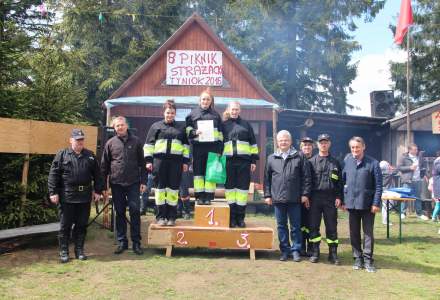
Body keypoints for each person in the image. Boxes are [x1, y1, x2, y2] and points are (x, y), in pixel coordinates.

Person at [48, 129, 103, 263]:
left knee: (82, 225)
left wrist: (98, 191)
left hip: (84, 197)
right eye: (77, 139)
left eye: (82, 139)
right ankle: (64, 252)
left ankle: (79, 251)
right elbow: (53, 175)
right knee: (65, 225)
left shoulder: (90, 155)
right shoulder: (62, 155)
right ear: (71, 140)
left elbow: (97, 175)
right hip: (67, 196)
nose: (80, 142)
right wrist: (53, 192)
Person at [101, 116, 146, 255]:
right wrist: (104, 186)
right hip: (116, 184)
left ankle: (136, 243)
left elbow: (142, 164)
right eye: (117, 126)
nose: (119, 127)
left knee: (134, 211)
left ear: (127, 126)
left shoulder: (137, 142)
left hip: (133, 183)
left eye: (122, 125)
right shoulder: (110, 143)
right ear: (114, 128)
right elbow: (104, 166)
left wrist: (143, 181)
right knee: (119, 212)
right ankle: (122, 242)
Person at [264, 130, 311, 262]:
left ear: (290, 141)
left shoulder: (299, 156)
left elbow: (306, 178)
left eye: (286, 140)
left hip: (295, 198)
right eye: (281, 140)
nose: (283, 142)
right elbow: (266, 179)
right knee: (281, 226)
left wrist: (305, 194)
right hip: (278, 199)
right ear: (277, 142)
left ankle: (296, 250)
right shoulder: (271, 158)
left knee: (295, 226)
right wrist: (267, 195)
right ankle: (285, 250)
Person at [144, 100, 190, 226]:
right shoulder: (155, 126)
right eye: (168, 112)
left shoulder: (181, 128)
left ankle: (171, 217)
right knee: (160, 190)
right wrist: (148, 160)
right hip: (159, 162)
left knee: (173, 190)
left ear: (175, 114)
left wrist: (186, 161)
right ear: (164, 113)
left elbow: (186, 147)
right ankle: (160, 217)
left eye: (172, 113)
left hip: (176, 163)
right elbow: (148, 145)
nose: (170, 115)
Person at [342, 136, 382, 272]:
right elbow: (343, 182)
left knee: (368, 233)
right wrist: (343, 200)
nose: (355, 150)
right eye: (352, 147)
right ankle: (357, 259)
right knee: (354, 233)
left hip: (367, 204)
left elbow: (378, 186)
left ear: (363, 147)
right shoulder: (347, 161)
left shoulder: (373, 163)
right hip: (352, 204)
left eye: (357, 147)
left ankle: (368, 260)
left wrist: (376, 203)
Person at [308, 134, 343, 265]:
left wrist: (339, 197)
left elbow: (340, 182)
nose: (323, 144)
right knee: (313, 226)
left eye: (326, 142)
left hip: (330, 198)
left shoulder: (336, 162)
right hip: (315, 198)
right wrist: (307, 196)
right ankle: (315, 252)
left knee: (332, 227)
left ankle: (333, 254)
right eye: (321, 142)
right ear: (317, 145)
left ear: (329, 144)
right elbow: (307, 181)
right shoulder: (311, 162)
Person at [223, 101, 258, 228]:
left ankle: (240, 218)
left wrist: (253, 160)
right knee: (230, 190)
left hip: (244, 162)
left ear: (240, 110)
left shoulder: (246, 125)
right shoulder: (223, 125)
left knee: (242, 190)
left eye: (236, 109)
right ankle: (232, 219)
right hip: (228, 162)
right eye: (232, 109)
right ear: (228, 110)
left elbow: (253, 143)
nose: (234, 111)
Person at [185, 89, 224, 205]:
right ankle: (199, 197)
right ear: (199, 100)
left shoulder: (216, 115)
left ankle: (208, 197)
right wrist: (195, 132)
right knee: (198, 174)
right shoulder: (192, 114)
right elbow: (187, 130)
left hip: (213, 149)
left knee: (210, 174)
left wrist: (220, 150)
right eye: (203, 99)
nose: (205, 101)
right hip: (198, 148)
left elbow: (221, 134)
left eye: (208, 99)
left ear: (211, 101)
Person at [397, 143, 428, 220]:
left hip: (418, 180)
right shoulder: (404, 157)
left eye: (417, 149)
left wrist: (423, 174)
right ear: (409, 150)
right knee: (405, 196)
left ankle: (419, 213)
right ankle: (402, 213)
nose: (416, 151)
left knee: (418, 197)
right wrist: (410, 168)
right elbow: (399, 168)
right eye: (414, 149)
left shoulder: (419, 157)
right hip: (408, 180)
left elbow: (423, 166)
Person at [299, 136, 314, 256]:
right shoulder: (297, 159)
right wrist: (303, 195)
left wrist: (309, 196)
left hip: (313, 198)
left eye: (309, 145)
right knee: (300, 223)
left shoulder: (316, 160)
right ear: (301, 147)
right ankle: (301, 246)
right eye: (304, 145)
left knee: (310, 223)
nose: (307, 147)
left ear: (312, 147)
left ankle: (311, 246)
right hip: (299, 197)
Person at [379, 160, 398, 225]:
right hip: (386, 191)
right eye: (388, 165)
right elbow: (396, 171)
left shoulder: (381, 173)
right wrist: (391, 168)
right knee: (386, 206)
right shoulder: (387, 174)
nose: (389, 166)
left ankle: (385, 220)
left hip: (385, 191)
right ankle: (385, 221)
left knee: (385, 206)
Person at [431, 154, 440, 222]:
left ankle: (435, 217)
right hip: (438, 187)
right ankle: (433, 217)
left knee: (438, 204)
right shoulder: (438, 163)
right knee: (438, 204)